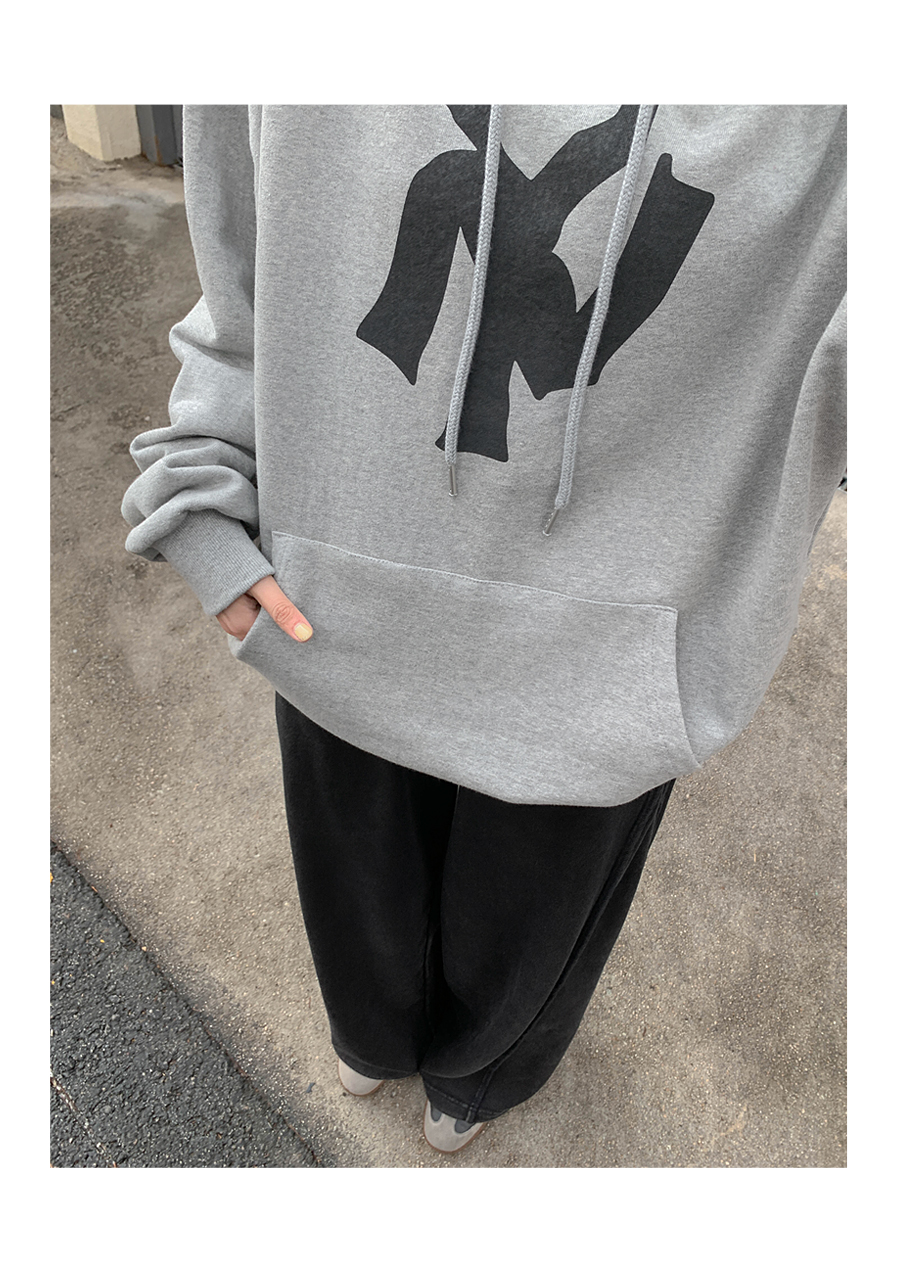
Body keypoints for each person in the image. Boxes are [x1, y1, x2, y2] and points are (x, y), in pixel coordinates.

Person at [122, 105, 846, 1156]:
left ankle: (476, 1076)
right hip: (331, 613)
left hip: (615, 654)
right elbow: (242, 269)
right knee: (354, 896)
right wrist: (196, 491)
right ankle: (372, 1031)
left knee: (527, 942)